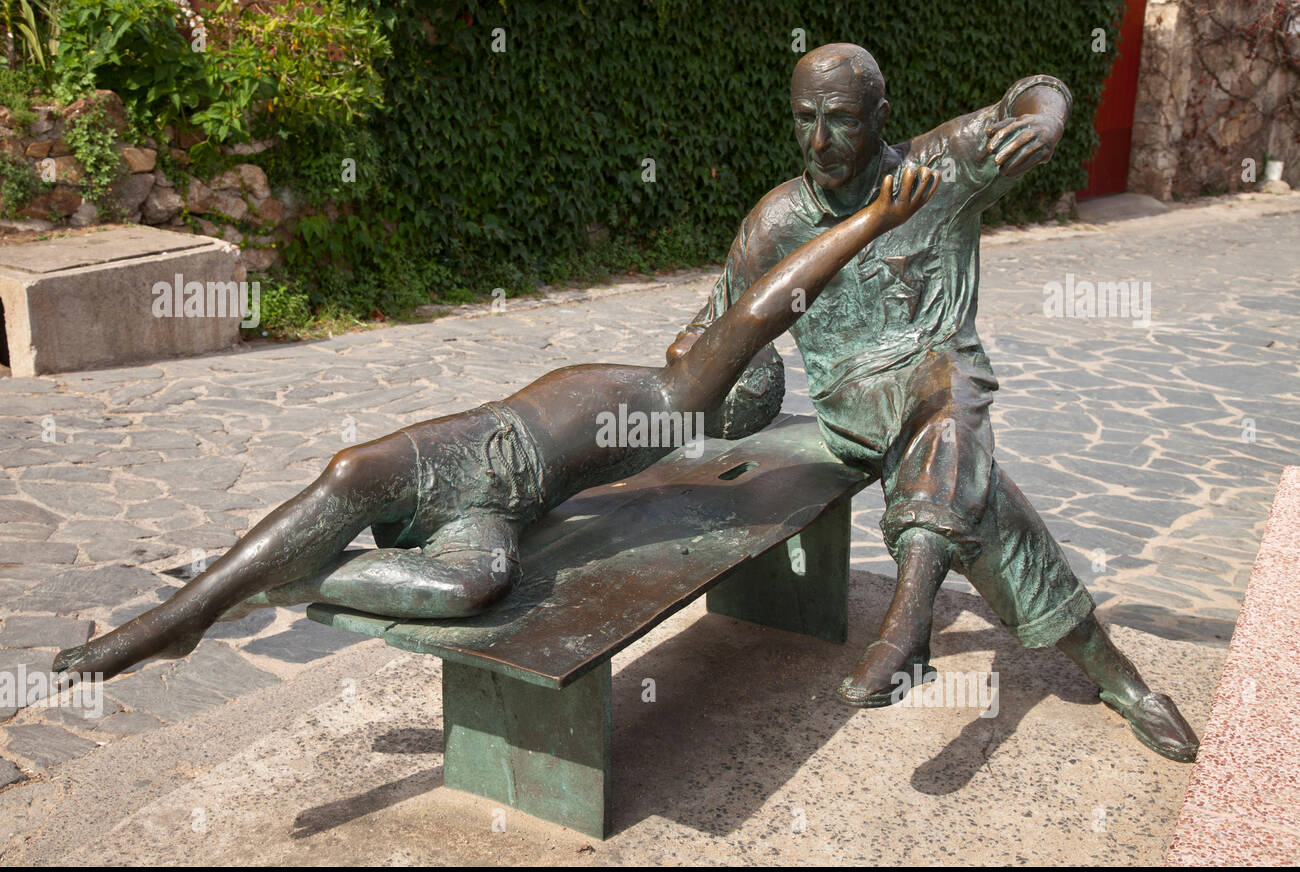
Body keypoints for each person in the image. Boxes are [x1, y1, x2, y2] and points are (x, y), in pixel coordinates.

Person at [53, 166, 940, 684]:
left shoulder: (680, 399)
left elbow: (759, 310)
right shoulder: (643, 387)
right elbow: (735, 303)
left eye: (715, 348)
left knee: (469, 592)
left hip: (503, 506)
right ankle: (186, 612)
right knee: (351, 472)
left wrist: (871, 219)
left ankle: (294, 578)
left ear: (728, 390)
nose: (698, 331)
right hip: (474, 448)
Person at [664, 43, 1199, 762]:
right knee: (964, 461)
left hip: (942, 385)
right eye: (804, 119)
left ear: (881, 117)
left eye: (843, 120)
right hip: (853, 407)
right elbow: (707, 332)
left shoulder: (937, 169)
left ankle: (914, 628)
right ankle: (1110, 679)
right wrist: (707, 368)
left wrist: (1041, 123)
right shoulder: (776, 223)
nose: (819, 141)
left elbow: (1036, 88)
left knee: (954, 418)